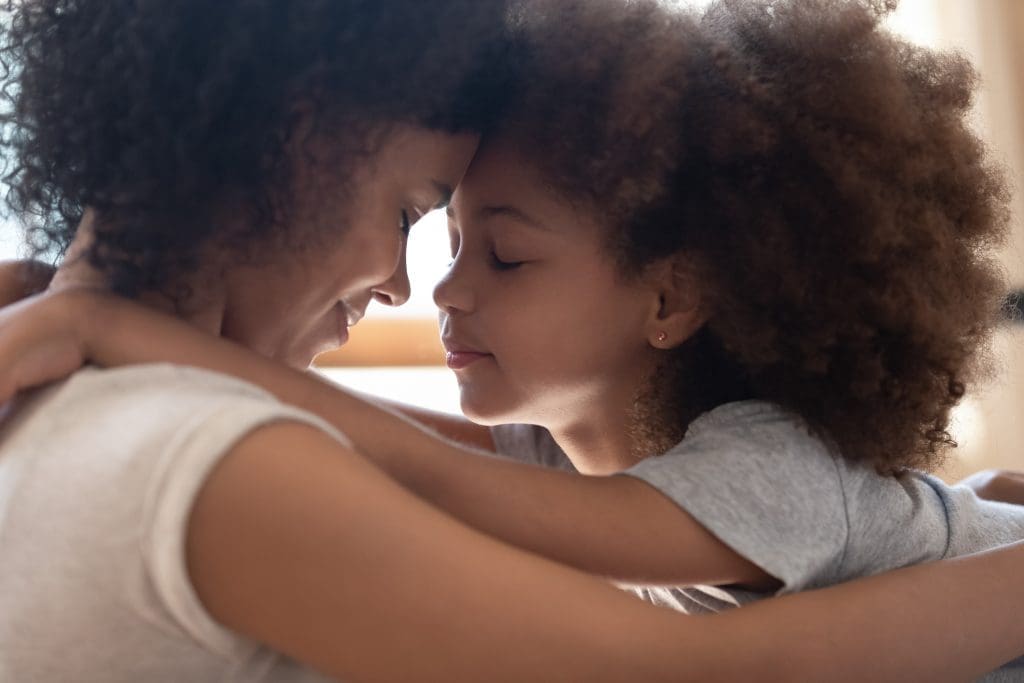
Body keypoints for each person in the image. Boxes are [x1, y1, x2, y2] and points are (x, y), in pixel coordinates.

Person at [3, 0, 1024, 681]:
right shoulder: (216, 458)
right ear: (296, 140)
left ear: (673, 298)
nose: (415, 283)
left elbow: (424, 461)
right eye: (415, 214)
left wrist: (97, 313)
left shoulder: (81, 393)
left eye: (502, 254)